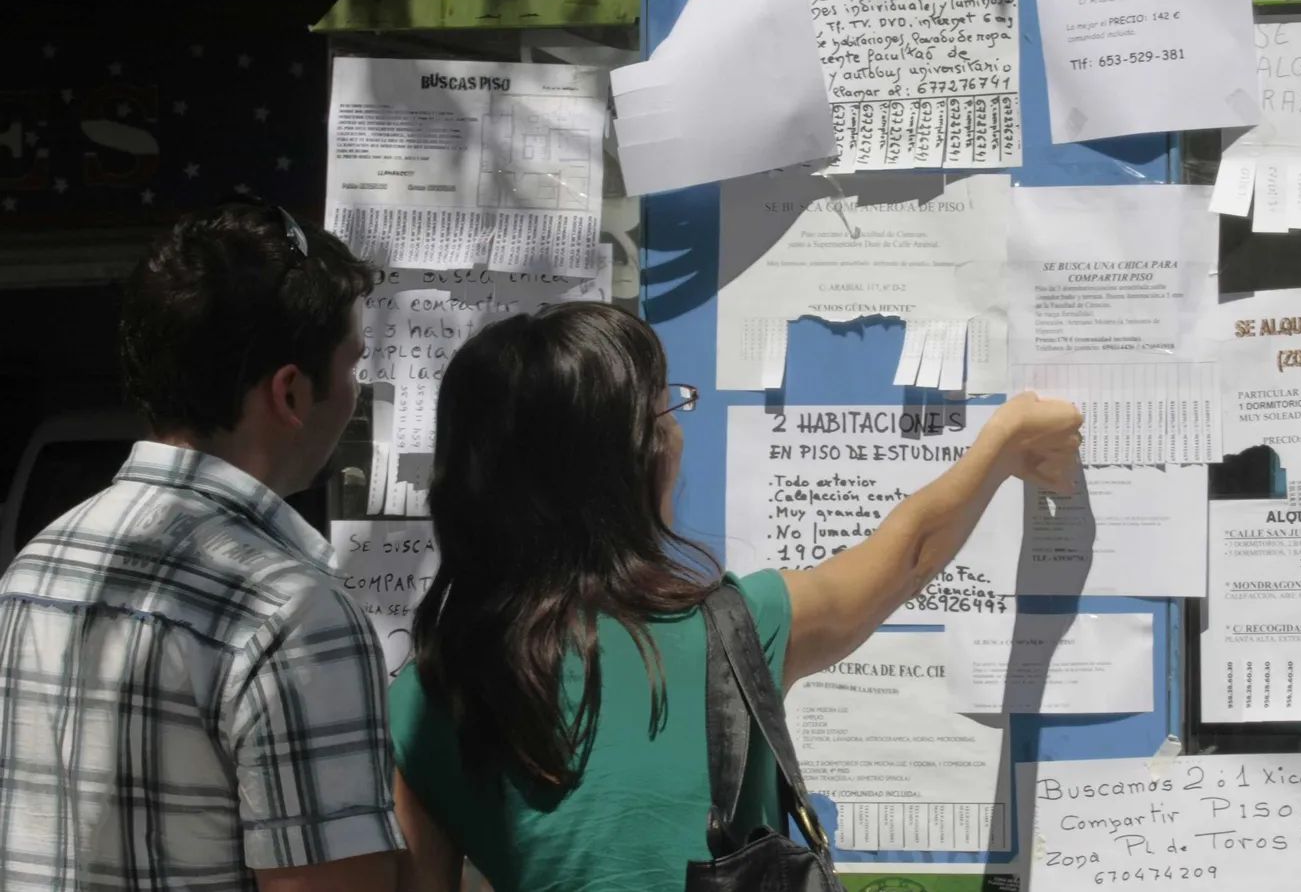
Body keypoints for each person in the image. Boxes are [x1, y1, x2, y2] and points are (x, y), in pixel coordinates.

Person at [389, 302, 1083, 891]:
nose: (677, 432)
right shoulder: (732, 629)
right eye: (667, 409)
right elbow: (907, 554)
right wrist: (1003, 443)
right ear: (629, 460)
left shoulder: (423, 697)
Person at [0, 203, 407, 891]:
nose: (356, 395)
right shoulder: (293, 616)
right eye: (353, 365)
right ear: (291, 391)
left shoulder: (34, 569)